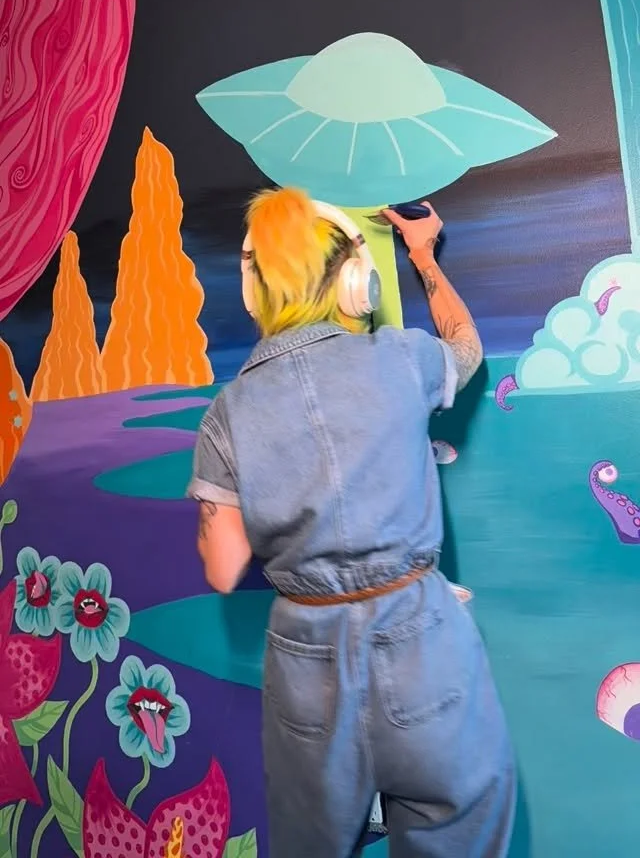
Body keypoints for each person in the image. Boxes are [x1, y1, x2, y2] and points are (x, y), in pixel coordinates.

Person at [187, 187, 515, 858]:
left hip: (304, 651)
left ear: (255, 292)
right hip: (420, 629)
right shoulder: (401, 358)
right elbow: (466, 347)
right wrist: (424, 258)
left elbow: (222, 569)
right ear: (356, 282)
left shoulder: (227, 412)